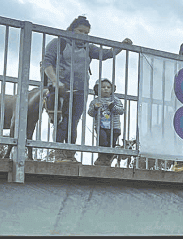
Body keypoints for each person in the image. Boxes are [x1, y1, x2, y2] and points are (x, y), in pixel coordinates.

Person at [41, 16, 132, 163]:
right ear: (71, 29)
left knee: (74, 122)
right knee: (61, 121)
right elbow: (47, 62)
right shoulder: (60, 42)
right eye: (80, 31)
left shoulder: (87, 46)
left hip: (80, 89)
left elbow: (106, 54)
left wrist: (121, 46)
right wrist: (55, 81)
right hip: (62, 88)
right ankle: (59, 154)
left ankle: (70, 154)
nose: (83, 35)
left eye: (86, 33)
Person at [87, 78, 124, 167]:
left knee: (112, 143)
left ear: (112, 89)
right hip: (101, 126)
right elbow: (90, 113)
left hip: (114, 126)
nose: (106, 89)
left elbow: (121, 111)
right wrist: (95, 108)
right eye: (103, 87)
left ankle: (107, 160)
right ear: (98, 89)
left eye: (108, 87)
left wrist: (112, 106)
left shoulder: (116, 100)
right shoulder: (95, 101)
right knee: (102, 141)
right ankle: (101, 159)